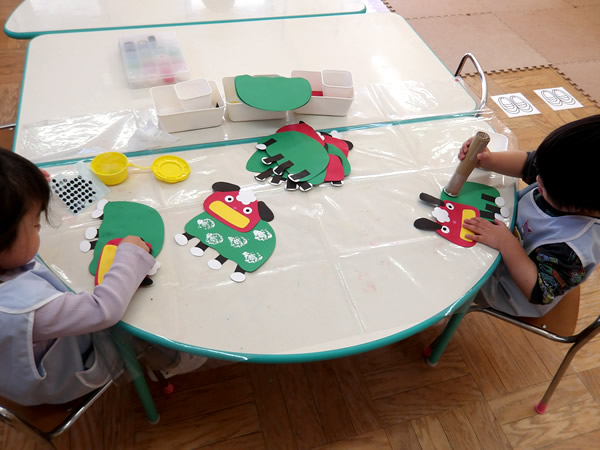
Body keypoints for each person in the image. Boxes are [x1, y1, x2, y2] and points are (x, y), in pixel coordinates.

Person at [0, 149, 205, 406]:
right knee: (144, 323)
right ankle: (175, 360)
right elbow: (104, 310)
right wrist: (130, 255)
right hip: (63, 373)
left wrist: (24, 188)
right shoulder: (21, 309)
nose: (40, 227)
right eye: (34, 224)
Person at [460, 114, 600, 317]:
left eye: (544, 184)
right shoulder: (563, 175)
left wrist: (506, 243)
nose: (537, 178)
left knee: (451, 277)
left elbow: (538, 291)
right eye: (540, 171)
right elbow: (528, 163)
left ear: (576, 203)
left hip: (506, 288)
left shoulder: (576, 247)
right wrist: (490, 160)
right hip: (501, 237)